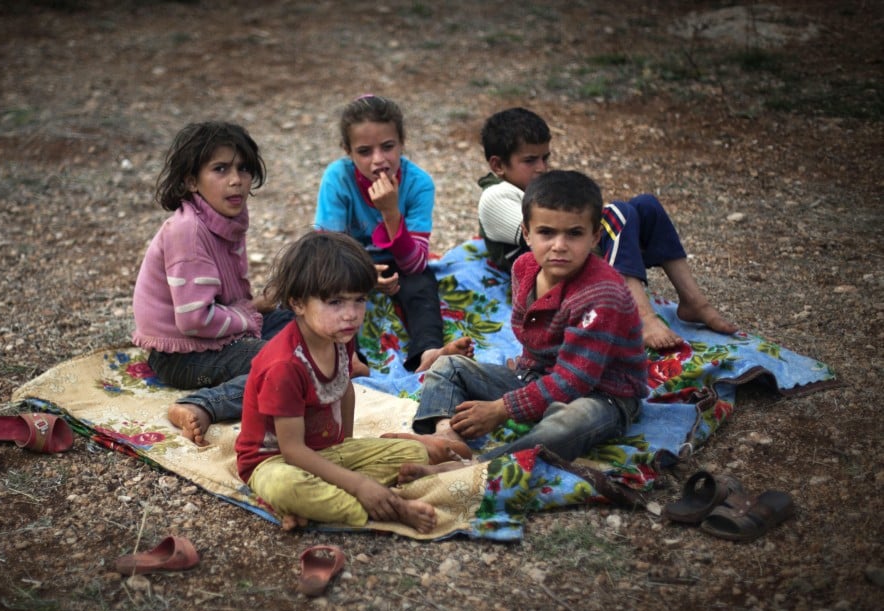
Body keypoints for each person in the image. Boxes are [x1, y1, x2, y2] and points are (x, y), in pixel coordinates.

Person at [387, 170, 649, 481]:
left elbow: (573, 381)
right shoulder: (524, 267)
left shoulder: (601, 294)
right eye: (546, 232)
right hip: (538, 376)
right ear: (526, 233)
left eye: (575, 234)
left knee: (569, 423)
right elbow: (533, 338)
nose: (559, 245)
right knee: (448, 366)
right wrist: (523, 379)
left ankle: (480, 464)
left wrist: (501, 409)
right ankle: (448, 439)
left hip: (603, 394)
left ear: (595, 237)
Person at [477, 107, 738, 350]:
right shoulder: (495, 197)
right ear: (498, 165)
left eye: (545, 158)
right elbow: (546, 235)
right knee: (617, 214)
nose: (542, 168)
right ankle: (642, 316)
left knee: (646, 205)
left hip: (572, 255)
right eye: (530, 161)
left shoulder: (533, 190)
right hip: (549, 267)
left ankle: (694, 301)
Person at [234, 231, 438, 534]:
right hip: (274, 462)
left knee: (414, 453)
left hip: (323, 451)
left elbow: (345, 387)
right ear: (298, 303)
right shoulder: (284, 365)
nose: (351, 315)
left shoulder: (340, 338)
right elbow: (292, 451)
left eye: (359, 300)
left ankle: (316, 507)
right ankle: (388, 508)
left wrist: (347, 447)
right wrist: (358, 483)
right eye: (335, 302)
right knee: (286, 487)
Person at [131, 122, 293, 446]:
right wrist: (248, 314)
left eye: (243, 168)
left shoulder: (226, 219)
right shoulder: (188, 231)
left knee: (301, 320)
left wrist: (257, 306)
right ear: (191, 180)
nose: (236, 180)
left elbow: (222, 296)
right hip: (182, 354)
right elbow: (193, 319)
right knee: (281, 366)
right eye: (220, 169)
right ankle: (202, 404)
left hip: (216, 336)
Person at [314, 94, 472, 372]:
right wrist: (363, 274)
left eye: (388, 147)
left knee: (422, 283)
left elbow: (415, 262)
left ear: (402, 143)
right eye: (364, 151)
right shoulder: (337, 178)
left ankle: (428, 350)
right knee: (325, 292)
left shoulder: (419, 183)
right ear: (348, 152)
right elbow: (326, 250)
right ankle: (347, 357)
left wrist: (390, 212)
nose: (379, 160)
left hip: (400, 260)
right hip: (345, 261)